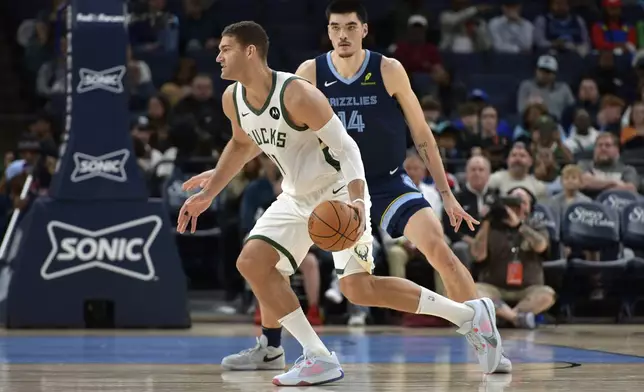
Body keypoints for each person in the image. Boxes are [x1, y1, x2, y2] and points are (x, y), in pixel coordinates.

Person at [217, 1, 510, 376]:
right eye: (335, 27)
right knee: (272, 261)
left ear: (364, 30)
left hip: (386, 180)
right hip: (333, 186)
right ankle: (271, 344)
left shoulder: (388, 69)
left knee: (438, 248)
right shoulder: (309, 72)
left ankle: (482, 335)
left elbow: (421, 133)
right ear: (327, 32)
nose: (343, 34)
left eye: (351, 27)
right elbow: (281, 131)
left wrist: (447, 193)